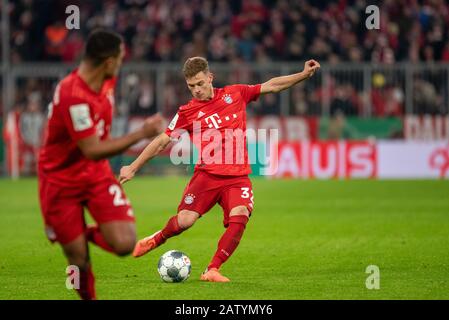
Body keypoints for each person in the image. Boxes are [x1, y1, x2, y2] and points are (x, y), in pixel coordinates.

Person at [119, 56, 320, 282]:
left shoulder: (235, 93)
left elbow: (272, 86)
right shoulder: (187, 111)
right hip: (206, 176)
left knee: (240, 216)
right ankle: (158, 238)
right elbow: (162, 141)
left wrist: (302, 75)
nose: (196, 90)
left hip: (237, 177)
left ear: (210, 78)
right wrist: (134, 166)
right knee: (185, 221)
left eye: (200, 83)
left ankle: (212, 269)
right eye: (191, 86)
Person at [37, 30, 163, 300]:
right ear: (108, 62)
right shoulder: (73, 95)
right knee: (79, 261)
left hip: (95, 175)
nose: (122, 63)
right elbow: (92, 150)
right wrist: (142, 133)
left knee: (125, 243)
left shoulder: (106, 78)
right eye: (120, 58)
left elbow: (93, 157)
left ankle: (75, 233)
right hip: (60, 181)